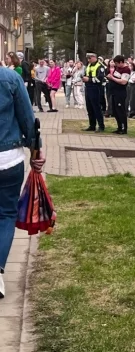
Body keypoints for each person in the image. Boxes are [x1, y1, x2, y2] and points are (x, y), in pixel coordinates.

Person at [0, 66, 45, 299]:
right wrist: (36, 152)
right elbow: (28, 119)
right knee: (6, 213)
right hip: (8, 159)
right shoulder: (10, 78)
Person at [83, 52, 106, 132]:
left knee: (96, 108)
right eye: (87, 58)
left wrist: (89, 79)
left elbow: (100, 79)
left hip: (96, 88)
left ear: (94, 57)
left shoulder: (100, 66)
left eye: (89, 58)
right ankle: (92, 125)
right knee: (89, 108)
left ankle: (101, 126)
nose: (88, 60)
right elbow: (87, 74)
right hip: (88, 88)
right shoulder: (88, 65)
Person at [108, 55, 131, 135]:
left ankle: (124, 128)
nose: (116, 65)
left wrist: (113, 78)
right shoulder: (117, 68)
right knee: (115, 110)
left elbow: (124, 81)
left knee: (120, 110)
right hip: (114, 91)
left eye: (117, 63)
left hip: (120, 92)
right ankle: (119, 127)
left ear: (121, 62)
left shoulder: (126, 69)